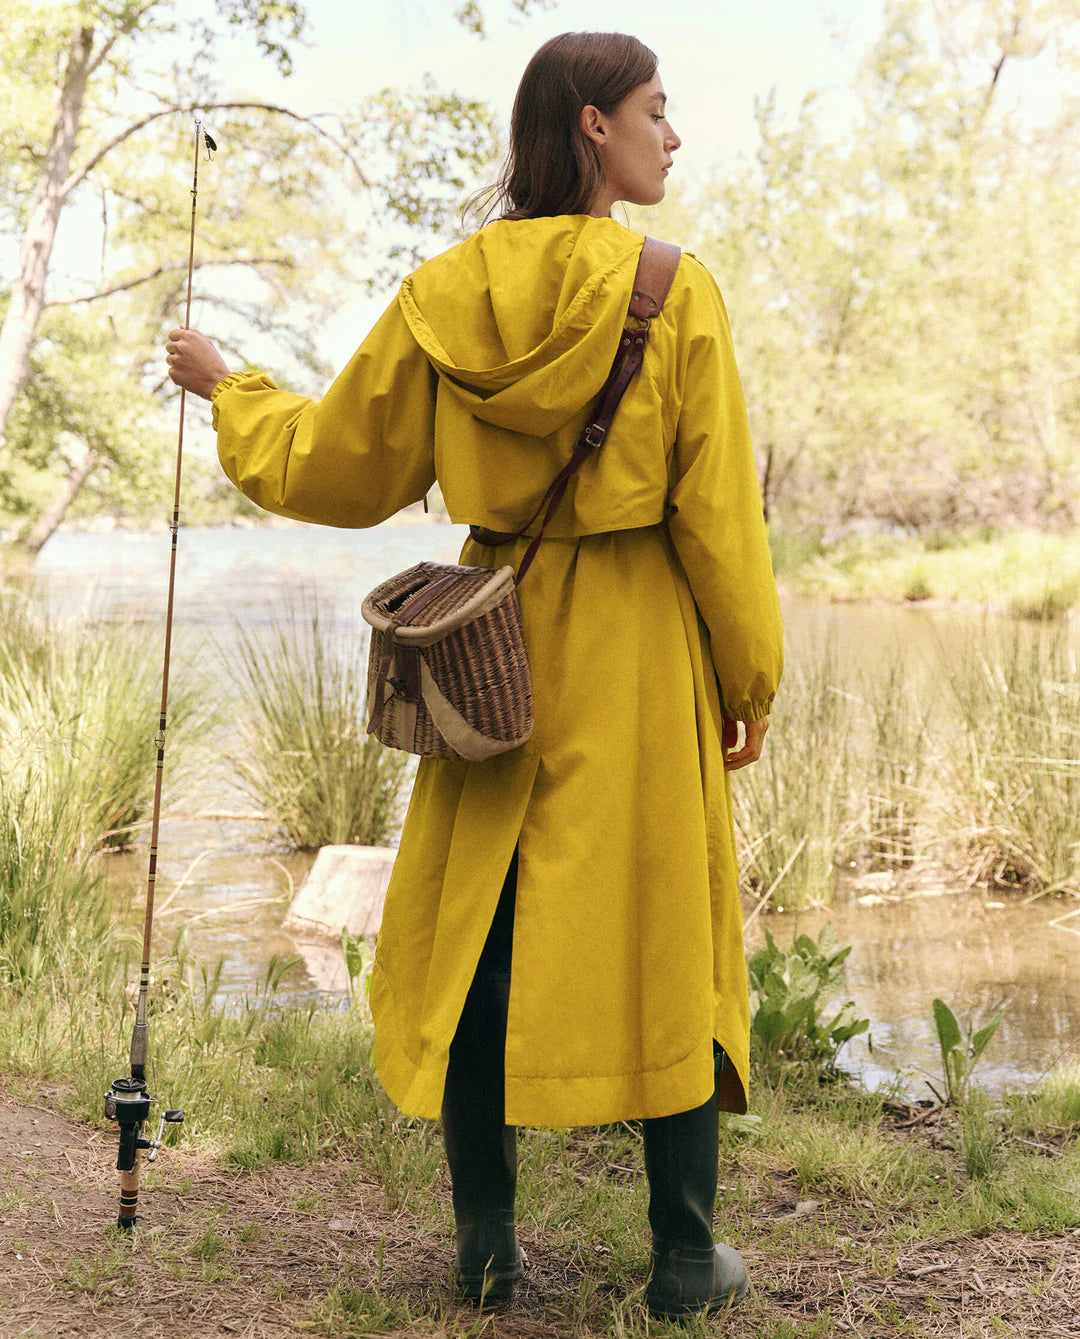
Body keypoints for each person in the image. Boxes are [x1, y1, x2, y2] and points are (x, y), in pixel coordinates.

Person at [166, 30, 783, 1321]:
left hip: (486, 642)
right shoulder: (679, 289)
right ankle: (683, 1262)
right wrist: (749, 678)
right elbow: (719, 517)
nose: (674, 135)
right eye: (656, 110)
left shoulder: (443, 292)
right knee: (663, 938)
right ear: (591, 126)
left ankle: (488, 1253)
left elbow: (333, 467)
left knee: (480, 939)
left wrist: (232, 389)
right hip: (634, 643)